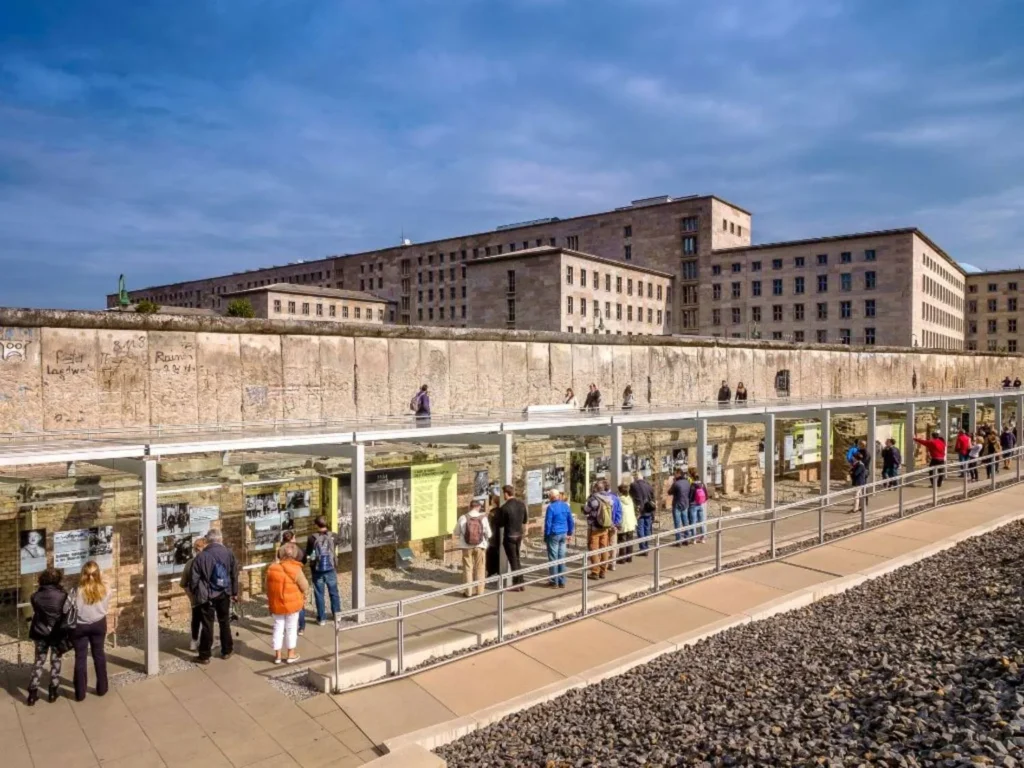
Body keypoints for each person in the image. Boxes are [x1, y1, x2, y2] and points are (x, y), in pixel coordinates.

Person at [189, 528, 239, 663]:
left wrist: (196, 593)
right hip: (224, 593)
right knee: (224, 622)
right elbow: (234, 574)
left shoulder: (201, 557)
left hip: (207, 595)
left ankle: (204, 655)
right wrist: (234, 592)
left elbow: (193, 580)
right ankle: (227, 650)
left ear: (208, 540)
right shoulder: (229, 553)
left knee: (207, 624)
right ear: (220, 539)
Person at [27, 567, 71, 705]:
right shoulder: (63, 596)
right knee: (55, 661)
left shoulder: (34, 596)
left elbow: (38, 613)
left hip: (40, 632)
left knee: (39, 662)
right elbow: (65, 614)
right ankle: (53, 691)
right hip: (56, 633)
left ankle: (32, 694)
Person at [71, 560, 110, 701]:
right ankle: (102, 688)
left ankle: (80, 693)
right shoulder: (105, 589)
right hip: (99, 624)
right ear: (98, 574)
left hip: (80, 626)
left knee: (80, 658)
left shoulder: (76, 591)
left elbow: (66, 609)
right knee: (99, 655)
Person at [266, 542, 308, 665]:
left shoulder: (272, 568)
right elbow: (305, 586)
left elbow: (267, 588)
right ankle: (291, 654)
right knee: (291, 628)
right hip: (292, 604)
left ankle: (277, 656)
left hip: (276, 604)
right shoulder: (296, 569)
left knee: (278, 628)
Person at [304, 516, 341, 626]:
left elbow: (309, 552)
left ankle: (322, 618)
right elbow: (336, 545)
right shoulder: (334, 536)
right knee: (334, 593)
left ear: (316, 525)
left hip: (317, 570)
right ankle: (337, 616)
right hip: (331, 568)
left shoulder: (312, 538)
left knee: (319, 594)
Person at [453, 500, 491, 597]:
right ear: (478, 507)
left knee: (467, 568)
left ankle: (468, 592)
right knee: (480, 568)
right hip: (480, 546)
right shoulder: (483, 518)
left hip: (466, 547)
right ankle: (480, 591)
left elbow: (456, 532)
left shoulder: (463, 518)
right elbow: (489, 534)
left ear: (469, 507)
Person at [583, 481, 617, 579]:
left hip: (595, 528)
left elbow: (586, 510)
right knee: (604, 549)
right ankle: (603, 571)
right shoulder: (609, 498)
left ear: (596, 488)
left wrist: (583, 507)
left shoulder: (594, 499)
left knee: (594, 549)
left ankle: (595, 572)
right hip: (605, 527)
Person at [180, 536, 207, 651]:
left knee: (196, 619)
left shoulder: (189, 563)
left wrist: (190, 596)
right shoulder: (206, 562)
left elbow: (184, 583)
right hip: (206, 597)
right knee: (206, 620)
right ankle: (205, 643)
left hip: (195, 597)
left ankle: (194, 641)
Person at [498, 485, 528, 591]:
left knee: (513, 560)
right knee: (517, 558)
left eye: (503, 494)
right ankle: (521, 582)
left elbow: (500, 524)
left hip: (509, 536)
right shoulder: (521, 504)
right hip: (519, 535)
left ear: (506, 493)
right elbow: (524, 520)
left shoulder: (504, 507)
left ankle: (517, 584)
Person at [543, 490, 574, 588]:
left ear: (551, 497)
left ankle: (554, 581)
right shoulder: (565, 506)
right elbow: (570, 520)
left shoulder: (551, 507)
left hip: (554, 534)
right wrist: (569, 532)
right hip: (563, 533)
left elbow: (548, 523)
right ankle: (562, 581)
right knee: (561, 557)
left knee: (553, 558)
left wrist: (546, 536)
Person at [280, 530, 306, 635]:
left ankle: (288, 627)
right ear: (292, 538)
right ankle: (301, 627)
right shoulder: (299, 549)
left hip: (285, 578)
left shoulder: (280, 549)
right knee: (300, 604)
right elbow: (304, 560)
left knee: (287, 603)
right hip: (296, 575)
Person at [629, 473, 656, 555]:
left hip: (639, 510)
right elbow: (653, 497)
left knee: (640, 529)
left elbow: (630, 495)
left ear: (636, 477)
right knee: (647, 528)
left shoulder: (633, 485)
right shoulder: (648, 485)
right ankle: (646, 546)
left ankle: (642, 548)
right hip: (648, 509)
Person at [668, 468, 692, 545]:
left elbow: (669, 492)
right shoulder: (687, 482)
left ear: (678, 474)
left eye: (675, 474)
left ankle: (678, 540)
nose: (674, 475)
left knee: (677, 522)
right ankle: (687, 539)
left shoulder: (676, 483)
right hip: (685, 503)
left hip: (677, 504)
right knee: (685, 522)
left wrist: (673, 482)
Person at [616, 483, 637, 562]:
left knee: (622, 541)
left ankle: (622, 559)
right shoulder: (630, 499)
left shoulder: (619, 500)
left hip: (623, 523)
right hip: (631, 522)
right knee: (630, 540)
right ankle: (629, 557)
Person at [485, 492, 503, 583]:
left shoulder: (492, 513)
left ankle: (491, 571)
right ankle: (499, 570)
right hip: (501, 536)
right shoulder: (502, 511)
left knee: (491, 555)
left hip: (493, 537)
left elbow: (489, 525)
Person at [688, 475, 708, 544]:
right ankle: (703, 538)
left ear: (692, 478)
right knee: (701, 521)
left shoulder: (692, 486)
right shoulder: (702, 484)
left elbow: (690, 497)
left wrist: (690, 502)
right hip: (700, 504)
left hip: (693, 505)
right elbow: (706, 496)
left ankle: (694, 539)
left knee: (693, 522)